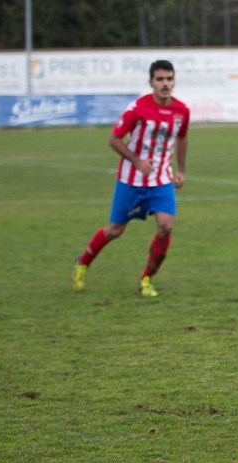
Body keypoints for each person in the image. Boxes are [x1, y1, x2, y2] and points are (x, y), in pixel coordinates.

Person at [72, 59, 189, 297]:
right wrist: (136, 161)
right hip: (131, 180)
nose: (165, 84)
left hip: (161, 180)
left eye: (169, 79)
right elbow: (114, 139)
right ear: (151, 82)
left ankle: (147, 278)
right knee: (114, 230)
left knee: (166, 226)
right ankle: (83, 262)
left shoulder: (182, 111)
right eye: (160, 79)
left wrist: (180, 169)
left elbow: (182, 137)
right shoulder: (137, 108)